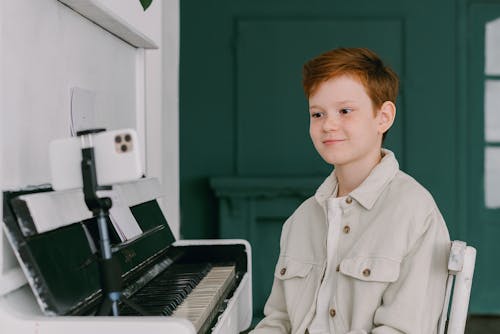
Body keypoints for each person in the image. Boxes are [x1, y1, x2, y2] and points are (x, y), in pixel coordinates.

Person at [250, 47, 450, 334]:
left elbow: (403, 330)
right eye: (317, 114)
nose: (328, 125)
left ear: (383, 117)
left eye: (345, 111)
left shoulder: (415, 213)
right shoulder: (302, 219)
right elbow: (278, 322)